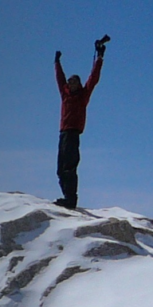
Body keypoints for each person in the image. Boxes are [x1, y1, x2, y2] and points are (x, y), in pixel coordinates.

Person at [53, 41, 105, 209]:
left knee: (69, 167)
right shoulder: (65, 94)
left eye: (73, 81)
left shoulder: (83, 95)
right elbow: (59, 79)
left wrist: (99, 57)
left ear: (79, 83)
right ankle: (66, 196)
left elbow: (94, 78)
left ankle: (71, 199)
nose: (69, 83)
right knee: (60, 169)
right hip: (63, 133)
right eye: (69, 81)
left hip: (73, 134)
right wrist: (57, 62)